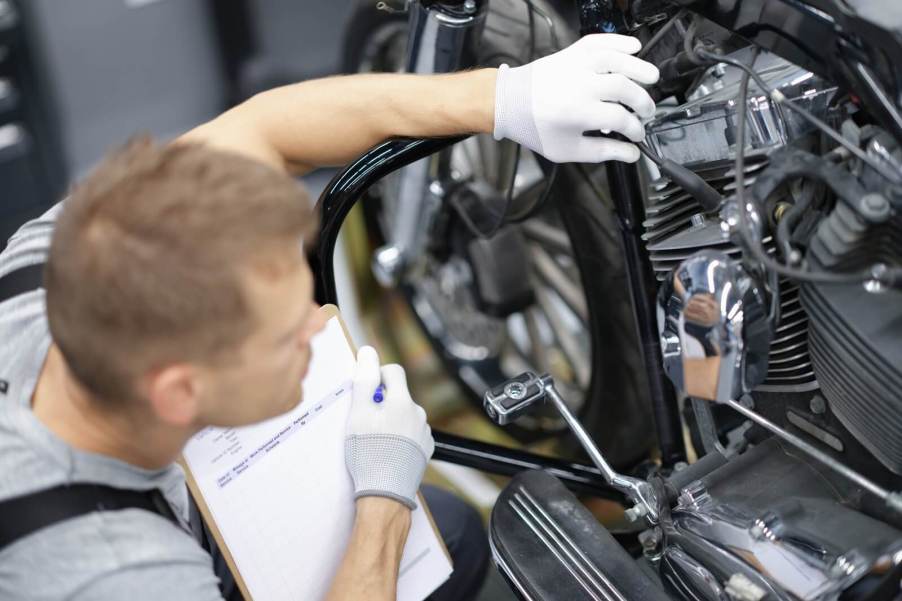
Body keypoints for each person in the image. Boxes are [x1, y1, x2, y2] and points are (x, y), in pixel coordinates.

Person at [0, 34, 658, 600]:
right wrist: (382, 497)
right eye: (288, 336)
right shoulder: (126, 574)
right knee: (436, 537)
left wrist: (504, 98)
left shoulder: (44, 268)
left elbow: (265, 130)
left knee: (450, 528)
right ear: (178, 391)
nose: (322, 326)